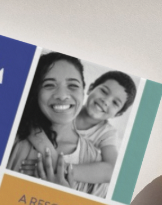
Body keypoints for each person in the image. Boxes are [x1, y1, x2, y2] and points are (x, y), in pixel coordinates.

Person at [21, 70, 136, 198]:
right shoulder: (67, 107)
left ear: (118, 114)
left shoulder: (107, 133)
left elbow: (113, 171)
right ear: (90, 89)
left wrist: (60, 167)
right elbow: (32, 123)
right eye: (104, 91)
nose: (106, 101)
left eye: (115, 103)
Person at [6, 52, 102, 192]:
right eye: (49, 85)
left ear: (83, 92)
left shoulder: (95, 160)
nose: (62, 96)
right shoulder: (12, 140)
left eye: (73, 86)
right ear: (36, 92)